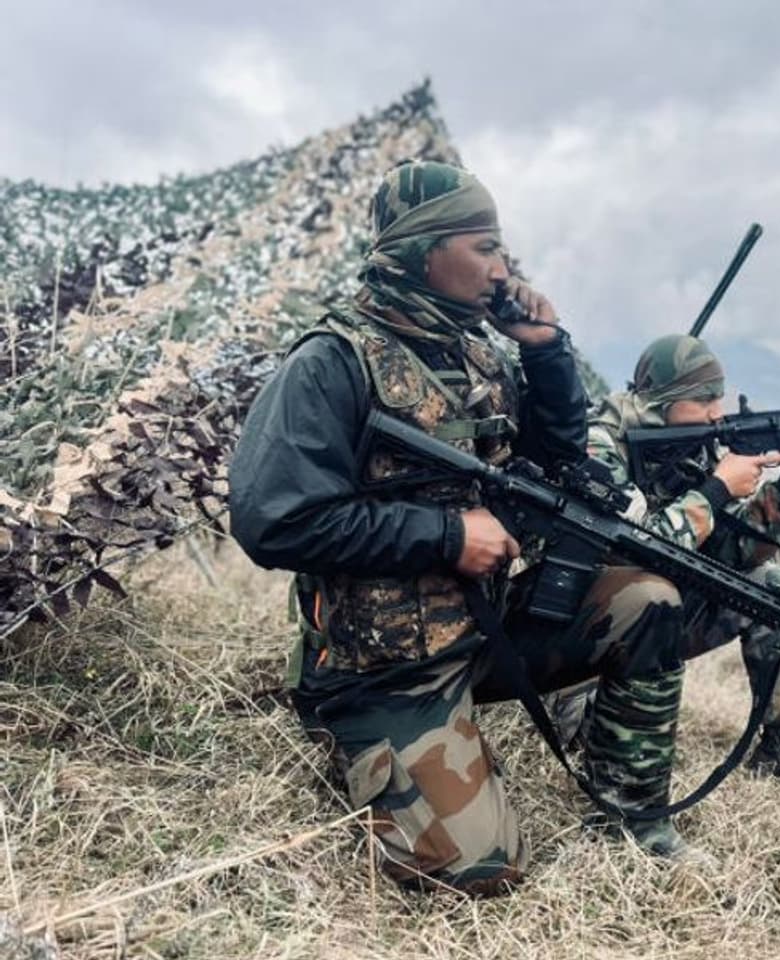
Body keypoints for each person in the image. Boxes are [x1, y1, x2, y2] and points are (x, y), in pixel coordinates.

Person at [229, 162, 717, 895]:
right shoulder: (332, 362)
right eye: (484, 247)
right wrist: (448, 536)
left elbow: (554, 460)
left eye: (500, 250)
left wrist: (545, 352)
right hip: (382, 665)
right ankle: (360, 739)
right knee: (481, 869)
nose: (501, 268)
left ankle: (633, 814)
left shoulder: (479, 356)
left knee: (646, 601)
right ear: (423, 252)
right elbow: (273, 520)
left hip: (481, 630)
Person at [550, 334, 780, 808]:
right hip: (585, 662)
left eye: (718, 397)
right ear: (663, 399)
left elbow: (736, 552)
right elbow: (637, 550)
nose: (717, 412)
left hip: (658, 622)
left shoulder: (694, 445)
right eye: (703, 399)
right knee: (590, 726)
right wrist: (716, 491)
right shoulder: (600, 446)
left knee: (770, 586)